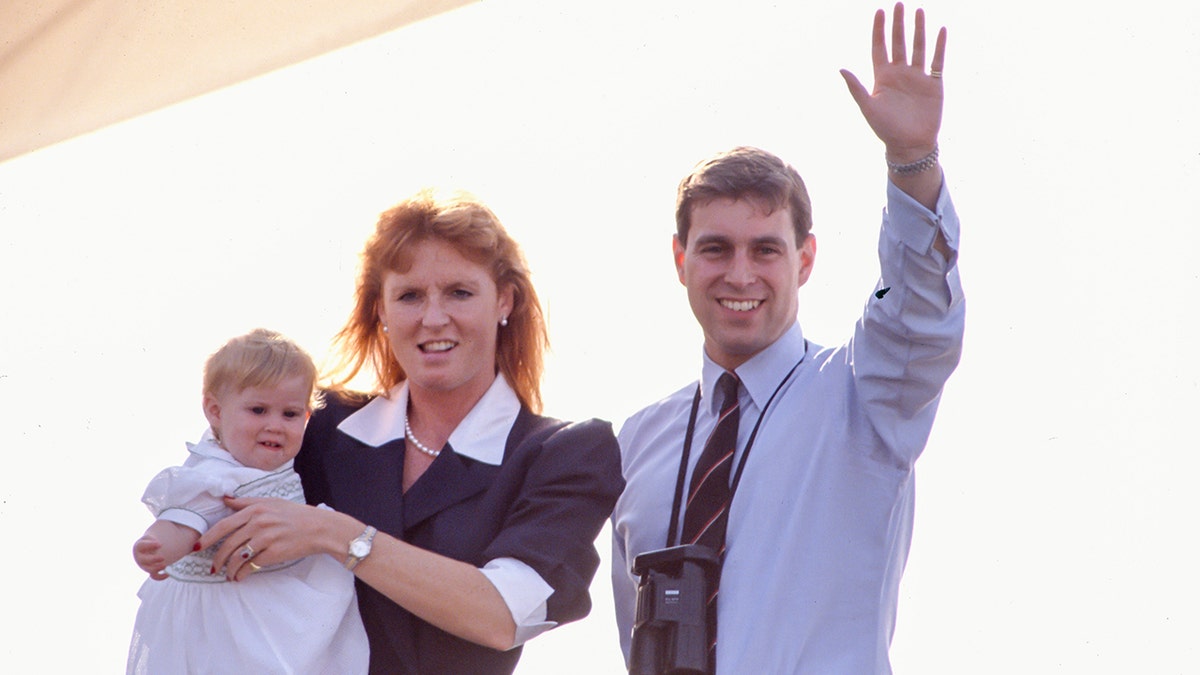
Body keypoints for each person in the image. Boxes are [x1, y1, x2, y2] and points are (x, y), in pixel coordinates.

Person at [611, 4, 965, 673]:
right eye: (715, 248)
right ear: (680, 259)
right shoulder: (638, 441)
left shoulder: (863, 393)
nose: (740, 274)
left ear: (805, 260)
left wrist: (911, 161)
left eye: (765, 249)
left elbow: (918, 310)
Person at [197, 189, 625, 674]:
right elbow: (203, 502)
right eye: (409, 296)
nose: (433, 318)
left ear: (504, 299)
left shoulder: (564, 453)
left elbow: (504, 614)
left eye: (459, 293)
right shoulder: (312, 424)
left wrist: (337, 534)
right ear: (380, 310)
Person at [128, 328, 369, 674]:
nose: (275, 425)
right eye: (258, 410)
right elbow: (185, 520)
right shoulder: (215, 473)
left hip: (278, 601)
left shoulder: (281, 464)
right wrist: (158, 546)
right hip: (228, 619)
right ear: (215, 411)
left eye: (290, 415)